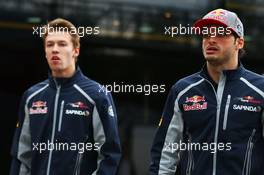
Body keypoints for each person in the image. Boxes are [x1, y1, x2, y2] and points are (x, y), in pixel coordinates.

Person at [149, 9, 264, 175]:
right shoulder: (183, 90)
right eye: (206, 35)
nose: (211, 39)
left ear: (239, 43)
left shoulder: (259, 89)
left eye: (220, 34)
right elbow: (165, 153)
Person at [10, 18, 121, 175]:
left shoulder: (97, 95)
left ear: (76, 50)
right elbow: (21, 155)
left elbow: (110, 155)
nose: (55, 49)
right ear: (45, 52)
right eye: (50, 44)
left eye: (62, 44)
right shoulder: (31, 96)